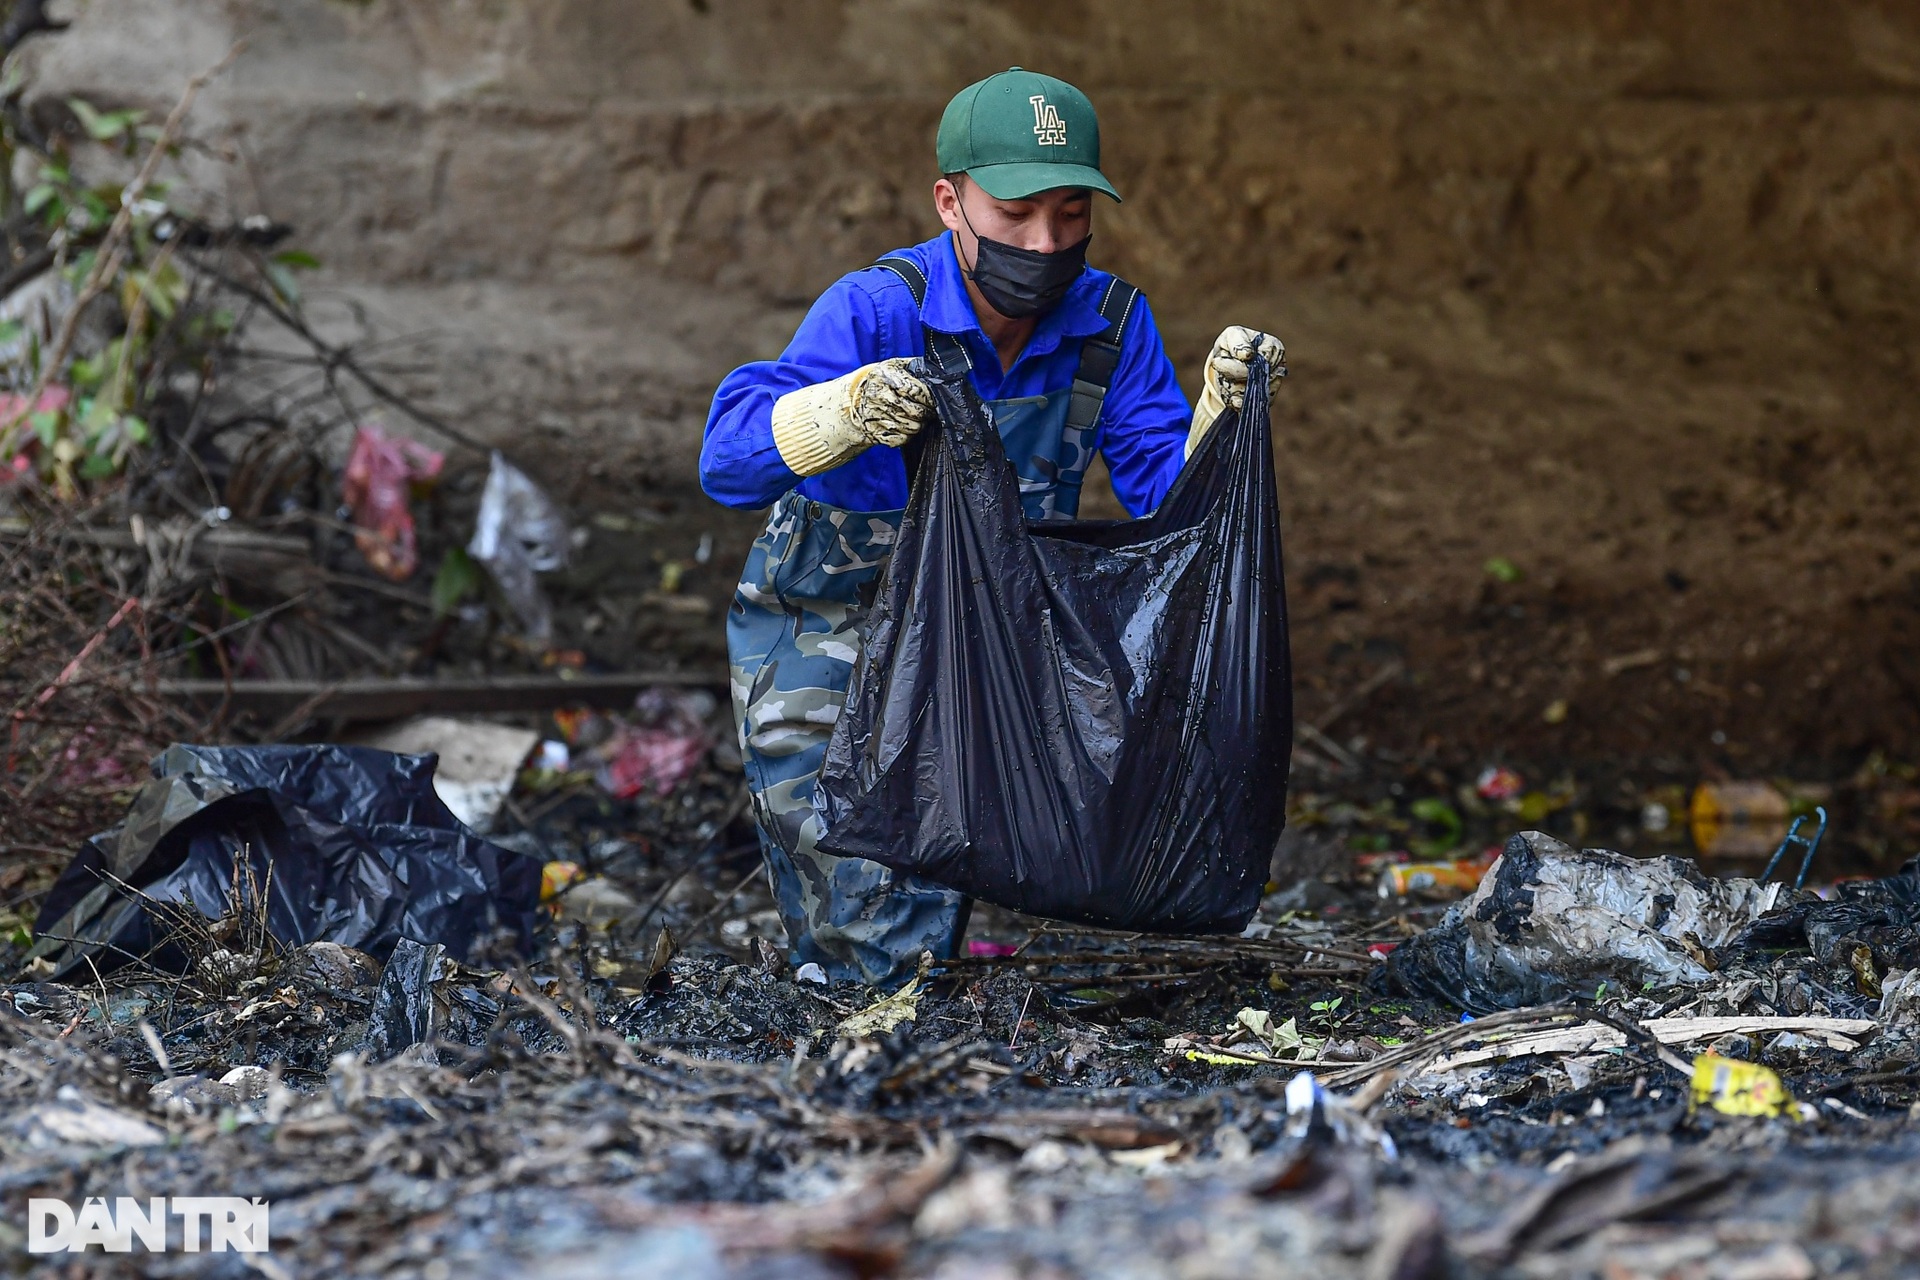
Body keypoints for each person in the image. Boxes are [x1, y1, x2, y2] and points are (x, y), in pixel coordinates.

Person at [701, 68, 1285, 984]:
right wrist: (839, 413)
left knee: (953, 859)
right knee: (854, 880)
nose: (1044, 242)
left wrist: (1220, 418)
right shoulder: (878, 308)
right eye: (1014, 213)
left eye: (1069, 214)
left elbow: (1160, 506)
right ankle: (859, 1031)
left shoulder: (1110, 327)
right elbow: (724, 462)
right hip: (833, 625)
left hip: (993, 632)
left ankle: (919, 1024)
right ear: (950, 201)